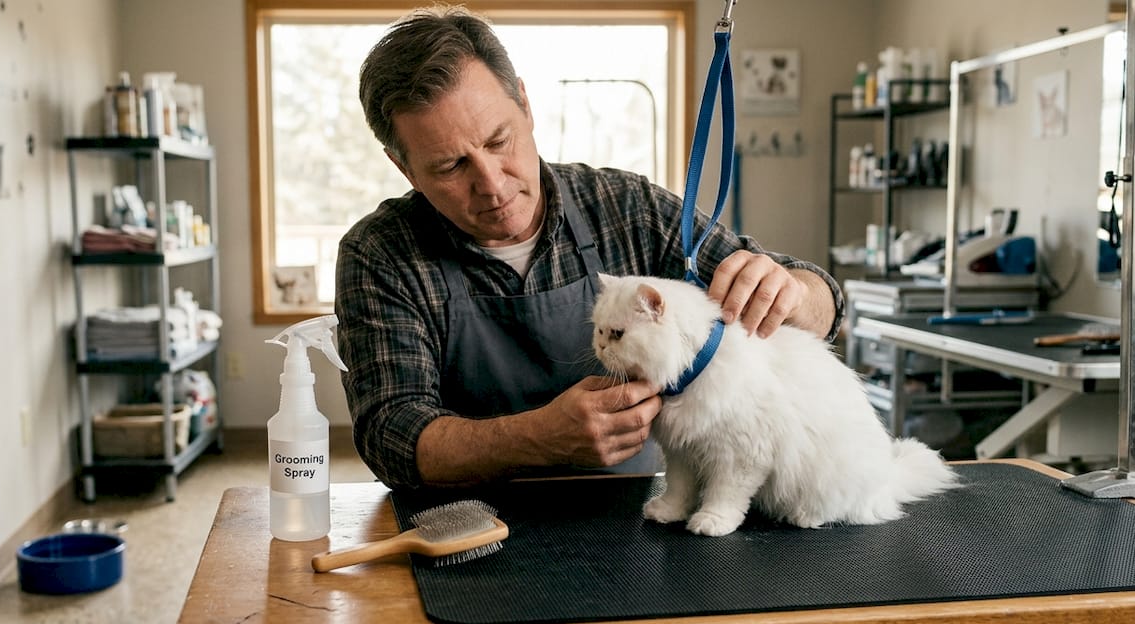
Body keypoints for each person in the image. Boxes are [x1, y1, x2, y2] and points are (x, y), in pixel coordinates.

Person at [335, 4, 844, 491]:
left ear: (525, 105)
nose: (491, 184)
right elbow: (390, 436)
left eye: (498, 141)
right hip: (459, 534)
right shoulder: (379, 254)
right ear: (404, 168)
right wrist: (533, 439)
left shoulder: (628, 208)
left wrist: (794, 293)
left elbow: (824, 307)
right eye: (450, 166)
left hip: (634, 526)